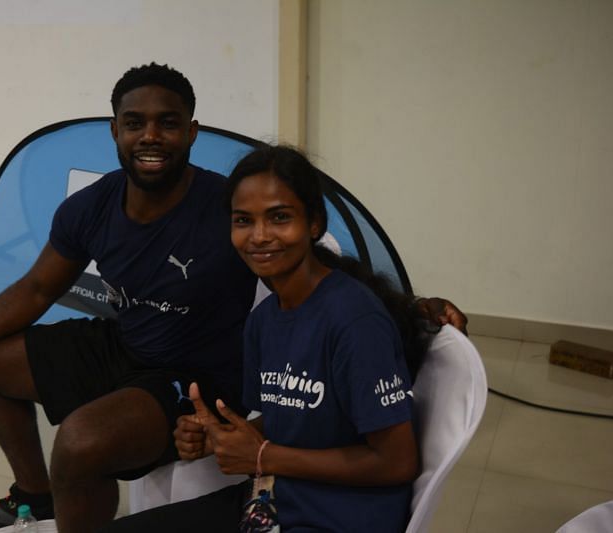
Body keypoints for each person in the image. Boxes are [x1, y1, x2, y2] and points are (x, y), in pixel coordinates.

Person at [0, 63, 466, 533]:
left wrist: (413, 308)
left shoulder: (224, 206)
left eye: (168, 123)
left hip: (191, 376)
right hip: (126, 341)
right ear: (115, 131)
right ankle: (34, 496)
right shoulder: (90, 207)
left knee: (80, 443)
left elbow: (316, 266)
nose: (151, 136)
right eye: (135, 123)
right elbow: (39, 287)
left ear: (192, 132)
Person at [101, 144, 431, 532]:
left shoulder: (354, 321)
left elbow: (396, 462)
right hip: (274, 501)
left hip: (339, 518)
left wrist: (261, 455)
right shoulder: (263, 321)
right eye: (243, 220)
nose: (259, 236)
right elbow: (289, 422)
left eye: (279, 217)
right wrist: (219, 439)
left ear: (314, 223)